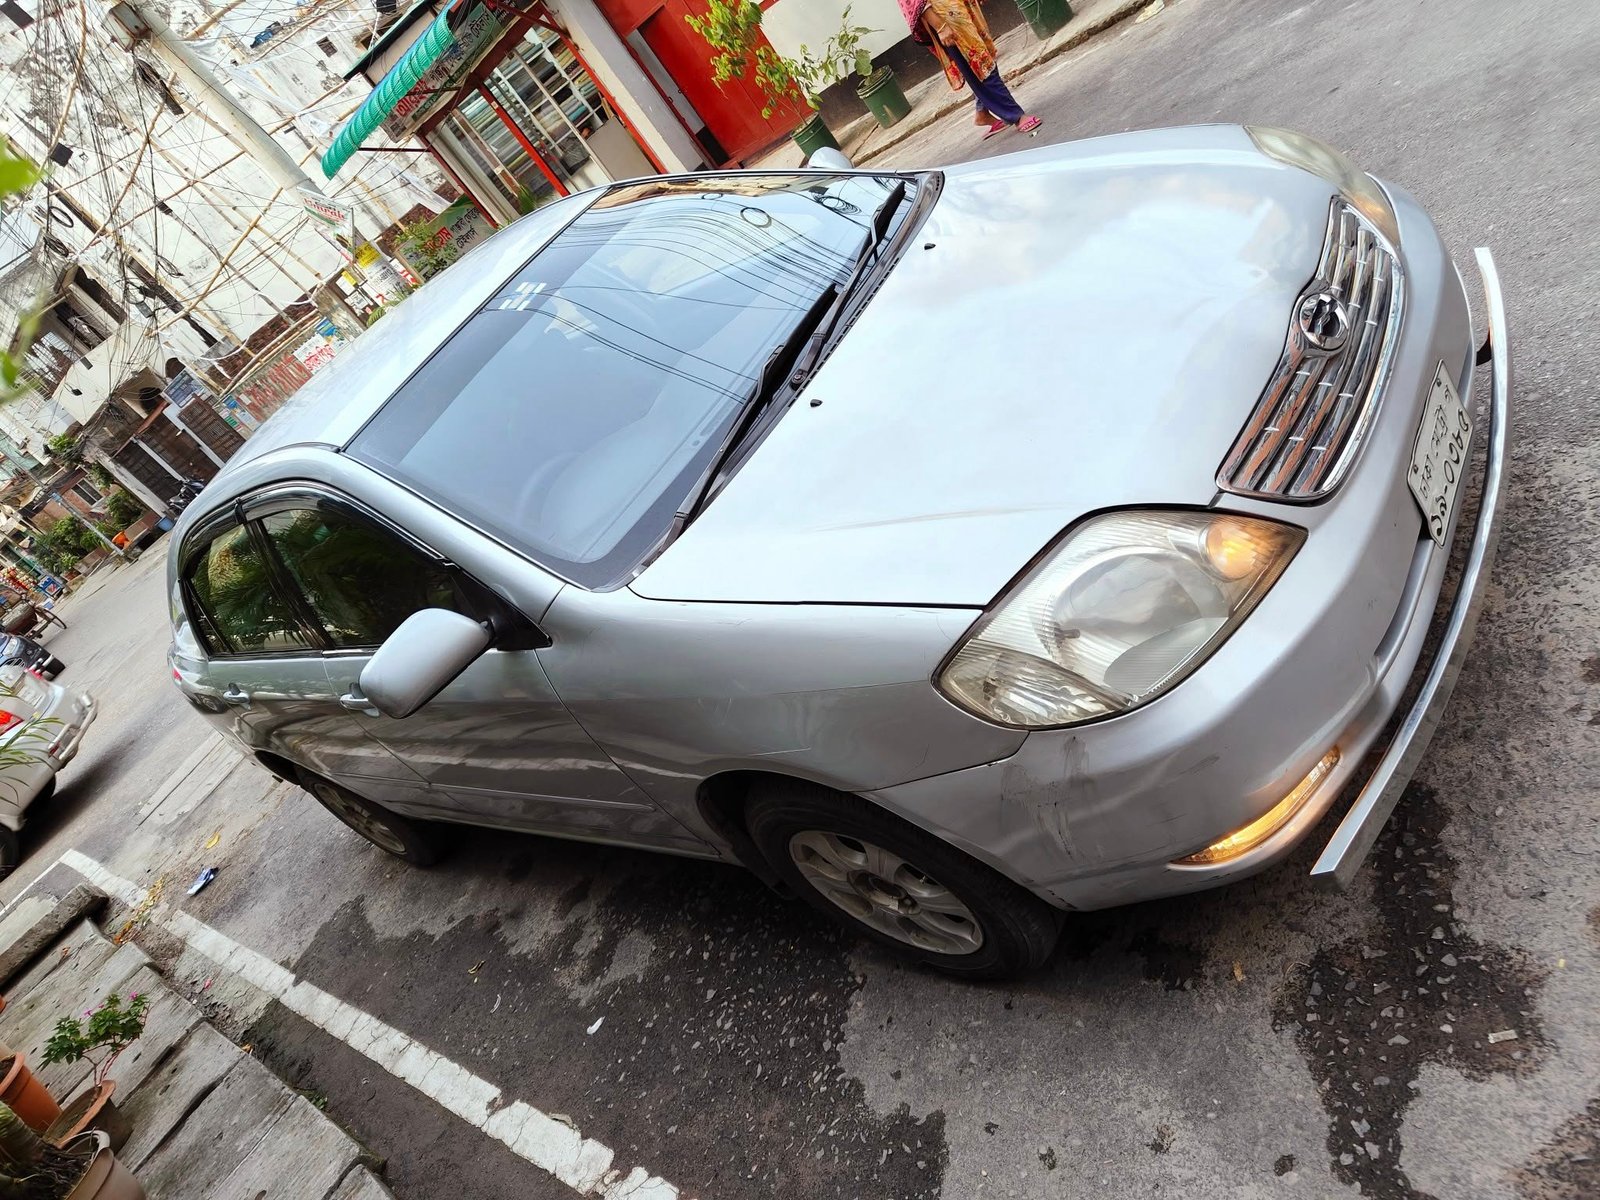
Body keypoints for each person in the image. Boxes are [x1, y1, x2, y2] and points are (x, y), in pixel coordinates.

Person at [898, 0, 1042, 140]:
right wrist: (940, 26)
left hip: (960, 8)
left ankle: (982, 112)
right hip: (943, 14)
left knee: (985, 56)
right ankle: (1016, 116)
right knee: (979, 63)